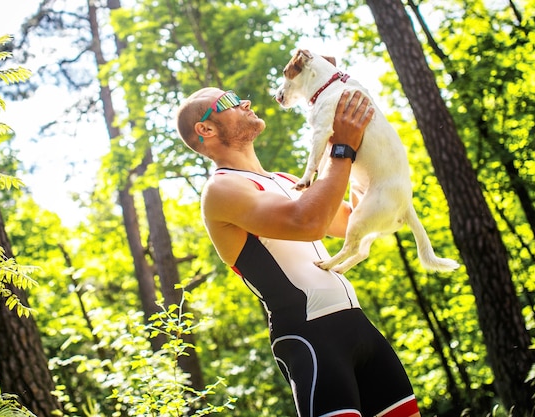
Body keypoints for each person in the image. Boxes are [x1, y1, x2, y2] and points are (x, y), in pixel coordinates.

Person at [176, 87, 421, 417]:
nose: (245, 102)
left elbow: (354, 220)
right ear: (205, 129)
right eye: (230, 102)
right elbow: (307, 222)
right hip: (311, 338)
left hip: (361, 326)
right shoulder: (222, 189)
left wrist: (363, 147)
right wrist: (342, 148)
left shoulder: (287, 180)